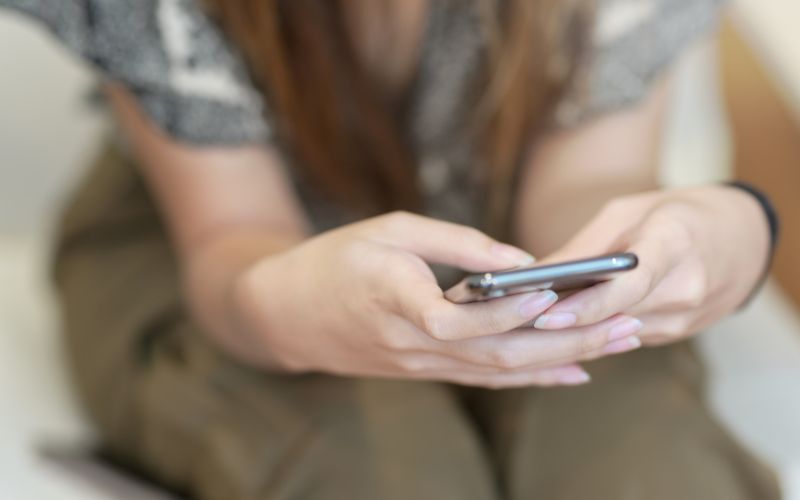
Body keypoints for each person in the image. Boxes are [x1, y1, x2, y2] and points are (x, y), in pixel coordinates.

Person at [1, 0, 782, 498]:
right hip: (199, 252)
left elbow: (588, 184)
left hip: (507, 239)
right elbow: (229, 242)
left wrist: (727, 230)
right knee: (380, 470)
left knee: (642, 466)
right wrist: (288, 311)